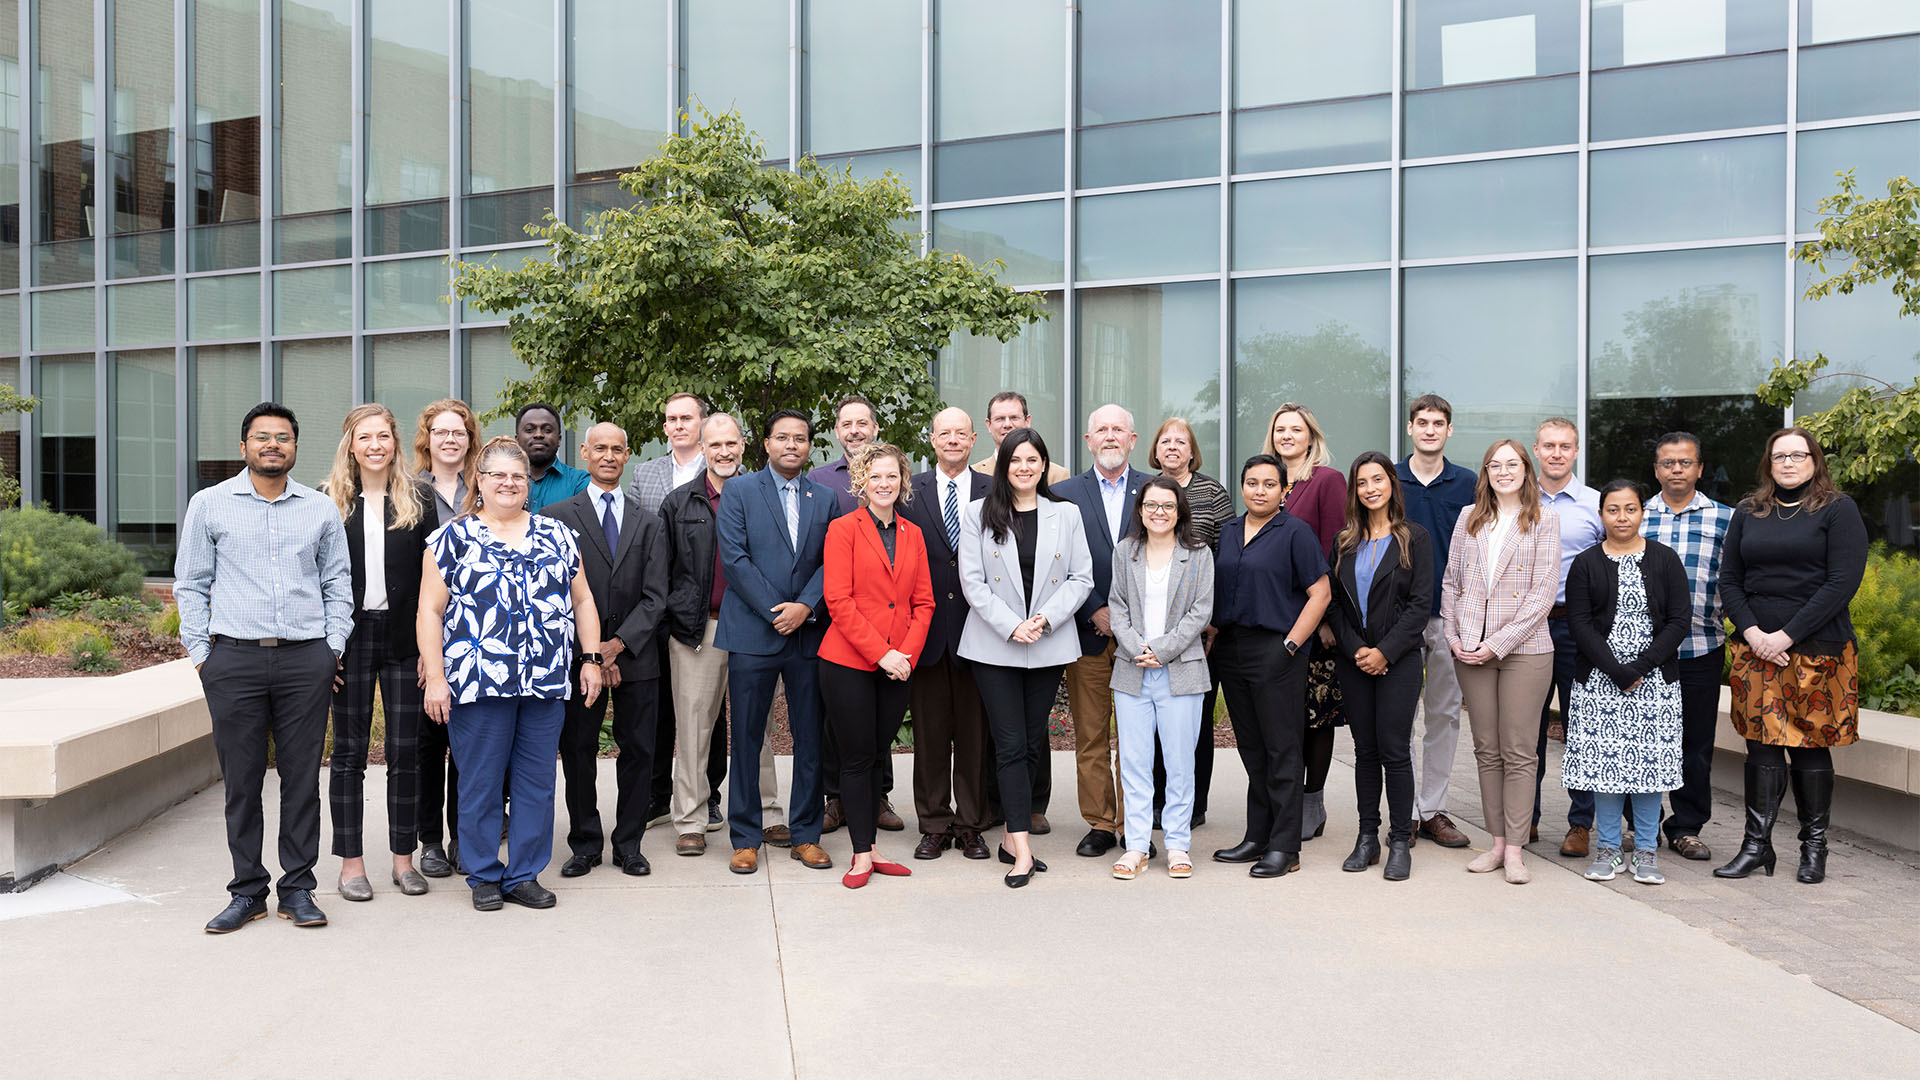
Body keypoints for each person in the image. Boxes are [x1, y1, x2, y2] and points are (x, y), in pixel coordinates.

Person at [178, 402, 352, 933]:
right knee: (242, 781)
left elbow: (337, 584)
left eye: (283, 437)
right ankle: (247, 890)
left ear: (295, 447)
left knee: (302, 780)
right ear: (244, 447)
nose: (272, 445)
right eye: (262, 437)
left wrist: (331, 649)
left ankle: (298, 888)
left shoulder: (320, 509)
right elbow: (190, 584)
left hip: (306, 661)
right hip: (233, 660)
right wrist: (203, 656)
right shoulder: (209, 505)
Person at [418, 437, 605, 911]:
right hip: (478, 681)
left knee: (536, 782)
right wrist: (437, 677)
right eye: (498, 475)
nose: (508, 483)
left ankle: (523, 874)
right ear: (479, 481)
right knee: (480, 780)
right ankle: (482, 874)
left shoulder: (557, 535)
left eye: (517, 476)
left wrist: (590, 659)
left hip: (544, 680)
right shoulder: (451, 539)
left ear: (528, 485)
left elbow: (582, 600)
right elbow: (429, 612)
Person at [1714, 428, 1867, 885]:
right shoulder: (1749, 511)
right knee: (1760, 747)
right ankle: (1756, 847)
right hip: (1756, 650)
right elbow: (1729, 579)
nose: (1788, 462)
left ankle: (1813, 849)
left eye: (1797, 455)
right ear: (1768, 462)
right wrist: (1754, 632)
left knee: (1809, 749)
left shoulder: (1838, 510)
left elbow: (1841, 583)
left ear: (1814, 460)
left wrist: (1786, 636)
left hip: (1817, 650)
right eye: (1779, 455)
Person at [957, 428, 1093, 887]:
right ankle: (1022, 849)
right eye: (1016, 460)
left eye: (1033, 459)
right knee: (1011, 743)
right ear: (1003, 465)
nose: (1024, 467)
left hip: (1048, 641)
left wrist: (1044, 620)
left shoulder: (1067, 514)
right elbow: (972, 582)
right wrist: (1013, 625)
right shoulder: (978, 512)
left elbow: (1081, 577)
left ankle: (1009, 840)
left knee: (1032, 743)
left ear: (1044, 464)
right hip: (995, 644)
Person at [541, 422, 670, 878]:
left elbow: (658, 595)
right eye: (601, 448)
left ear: (628, 454)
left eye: (618, 449)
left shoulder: (649, 521)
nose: (609, 456)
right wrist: (593, 649)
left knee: (639, 750)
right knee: (577, 749)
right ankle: (585, 843)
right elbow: (555, 594)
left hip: (637, 655)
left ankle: (629, 843)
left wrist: (617, 646)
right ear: (585, 452)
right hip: (580, 660)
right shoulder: (557, 517)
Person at [659, 414, 788, 857]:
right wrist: (678, 618)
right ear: (702, 445)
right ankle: (692, 820)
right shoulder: (680, 503)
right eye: (715, 445)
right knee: (694, 727)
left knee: (761, 727)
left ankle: (768, 813)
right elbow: (665, 571)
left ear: (744, 445)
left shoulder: (763, 496)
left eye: (731, 443)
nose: (724, 452)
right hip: (700, 629)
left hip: (755, 625)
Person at [322, 404, 435, 901]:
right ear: (350, 444)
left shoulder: (420, 499)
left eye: (383, 436)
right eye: (364, 437)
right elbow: (312, 581)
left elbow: (435, 580)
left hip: (405, 639)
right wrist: (325, 648)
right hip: (348, 638)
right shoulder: (326, 502)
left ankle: (403, 861)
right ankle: (351, 866)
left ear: (395, 443)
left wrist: (432, 651)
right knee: (347, 754)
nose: (375, 445)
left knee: (406, 753)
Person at [717, 409, 837, 875]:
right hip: (752, 631)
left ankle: (805, 834)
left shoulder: (824, 498)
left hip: (808, 634)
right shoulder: (740, 492)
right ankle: (745, 837)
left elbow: (833, 559)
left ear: (810, 446)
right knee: (746, 738)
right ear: (765, 444)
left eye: (801, 438)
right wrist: (778, 612)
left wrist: (805, 607)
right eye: (782, 437)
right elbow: (736, 559)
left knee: (809, 738)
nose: (792, 445)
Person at [1442, 439, 1561, 886]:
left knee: (1519, 750)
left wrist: (1498, 643)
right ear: (1486, 472)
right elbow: (1451, 583)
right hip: (1470, 651)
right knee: (1486, 750)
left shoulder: (1544, 519)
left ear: (1526, 470)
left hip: (1524, 651)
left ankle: (1515, 849)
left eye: (1512, 464)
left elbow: (1542, 595)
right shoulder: (1468, 519)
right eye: (1495, 464)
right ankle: (1494, 843)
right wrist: (1454, 637)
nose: (1504, 471)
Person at [818, 444, 936, 888]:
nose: (884, 483)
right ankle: (861, 854)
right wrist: (881, 653)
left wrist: (904, 654)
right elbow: (838, 601)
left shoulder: (914, 534)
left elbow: (923, 602)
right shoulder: (842, 529)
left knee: (874, 758)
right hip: (849, 662)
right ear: (861, 481)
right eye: (875, 476)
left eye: (891, 476)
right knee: (856, 758)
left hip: (898, 664)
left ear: (902, 481)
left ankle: (871, 847)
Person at [1210, 453, 1331, 879]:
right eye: (1251, 483)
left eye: (1268, 484)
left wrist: (1292, 645)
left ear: (1284, 491)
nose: (1259, 490)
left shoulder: (1295, 533)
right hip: (1231, 649)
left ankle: (1285, 847)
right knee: (1252, 748)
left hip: (1277, 649)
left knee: (1282, 750)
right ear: (1242, 487)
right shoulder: (1226, 532)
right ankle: (1257, 836)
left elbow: (1320, 593)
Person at [1563, 480, 1690, 887]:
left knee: (1649, 772)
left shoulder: (1665, 560)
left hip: (1655, 683)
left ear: (1642, 512)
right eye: (1613, 509)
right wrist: (1617, 670)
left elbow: (1678, 621)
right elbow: (1579, 624)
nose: (1622, 517)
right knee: (1606, 769)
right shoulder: (1585, 563)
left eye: (1630, 509)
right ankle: (1609, 849)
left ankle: (1647, 853)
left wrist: (1641, 667)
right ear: (1601, 514)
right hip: (1599, 683)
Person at [1327, 452, 1433, 882]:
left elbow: (1420, 605)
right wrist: (1357, 651)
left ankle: (1400, 841)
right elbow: (1335, 606)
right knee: (1364, 752)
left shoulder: (1415, 538)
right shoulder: (1343, 542)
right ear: (1354, 490)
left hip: (1399, 661)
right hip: (1355, 661)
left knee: (1394, 750)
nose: (1370, 488)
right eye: (1362, 482)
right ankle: (1366, 837)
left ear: (1392, 483)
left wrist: (1384, 653)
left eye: (1378, 479)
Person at [1052, 404, 1151, 858]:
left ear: (1132, 439)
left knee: (1136, 736)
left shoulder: (1155, 489)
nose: (1110, 436)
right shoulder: (1062, 493)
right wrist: (1094, 608)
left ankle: (1136, 825)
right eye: (1101, 430)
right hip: (1086, 633)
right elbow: (1058, 563)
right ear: (1088, 441)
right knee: (1091, 735)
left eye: (1118, 429)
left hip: (1142, 638)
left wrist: (1129, 618)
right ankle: (1100, 823)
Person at [627, 393, 728, 834]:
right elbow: (645, 545)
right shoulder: (648, 475)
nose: (678, 425)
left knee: (714, 717)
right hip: (671, 611)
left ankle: (711, 796)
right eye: (671, 419)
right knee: (675, 712)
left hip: (721, 616)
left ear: (704, 427)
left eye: (687, 417)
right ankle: (663, 798)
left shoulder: (733, 479)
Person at [899, 406, 996, 860]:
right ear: (932, 439)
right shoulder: (908, 492)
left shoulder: (993, 490)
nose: (953, 439)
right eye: (944, 433)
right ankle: (934, 822)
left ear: (974, 439)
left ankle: (972, 824)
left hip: (982, 633)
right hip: (928, 633)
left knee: (976, 738)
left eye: (961, 433)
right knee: (931, 738)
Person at [1107, 477, 1215, 880]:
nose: (1159, 513)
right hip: (1132, 671)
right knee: (1134, 763)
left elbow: (1202, 611)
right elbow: (1116, 605)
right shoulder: (1125, 552)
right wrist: (1138, 648)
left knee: (1179, 763)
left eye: (1167, 506)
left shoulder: (1198, 554)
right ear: (1140, 510)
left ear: (1180, 511)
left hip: (1181, 670)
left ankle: (1177, 845)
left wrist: (1163, 649)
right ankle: (1136, 845)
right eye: (1151, 505)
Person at [809, 393, 905, 832]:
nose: (854, 431)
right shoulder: (820, 480)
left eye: (862, 423)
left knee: (879, 714)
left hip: (886, 625)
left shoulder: (898, 477)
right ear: (836, 432)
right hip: (836, 619)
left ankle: (877, 795)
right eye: (846, 424)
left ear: (875, 428)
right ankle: (837, 798)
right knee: (838, 718)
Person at [1641, 432, 1734, 862]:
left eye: (1685, 462)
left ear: (1699, 468)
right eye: (1668, 463)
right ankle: (1640, 825)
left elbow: (1736, 581)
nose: (1676, 470)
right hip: (1643, 652)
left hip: (1701, 646)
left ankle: (1686, 826)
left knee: (1694, 744)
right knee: (1640, 738)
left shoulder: (1726, 520)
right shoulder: (1635, 517)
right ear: (1656, 469)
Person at [1263, 402, 1347, 843]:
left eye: (1296, 429)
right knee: (1283, 717)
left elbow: (1336, 549)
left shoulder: (1327, 481)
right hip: (1275, 617)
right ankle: (1287, 798)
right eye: (1280, 429)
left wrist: (1329, 620)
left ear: (1311, 436)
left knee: (1316, 715)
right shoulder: (1268, 480)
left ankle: (1312, 799)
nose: (1287, 436)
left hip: (1315, 618)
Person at [1396, 394, 1478, 850]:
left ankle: (1435, 810)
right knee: (1403, 716)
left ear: (1450, 431)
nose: (1430, 429)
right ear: (1410, 428)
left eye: (1438, 423)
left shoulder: (1467, 483)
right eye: (1422, 422)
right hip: (1401, 616)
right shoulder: (1391, 479)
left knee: (1444, 714)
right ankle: (1406, 811)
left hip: (1450, 615)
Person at [1146, 416, 1232, 830]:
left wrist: (1212, 623)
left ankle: (1193, 804)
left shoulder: (1212, 492)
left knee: (1193, 722)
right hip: (1149, 633)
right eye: (1166, 441)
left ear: (1192, 450)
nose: (1173, 447)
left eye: (1182, 441)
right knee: (1156, 723)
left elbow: (1228, 554)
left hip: (1201, 632)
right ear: (1156, 449)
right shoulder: (1147, 491)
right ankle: (1159, 800)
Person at [1530, 417, 1606, 858]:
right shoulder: (1517, 502)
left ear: (1576, 452)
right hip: (1529, 627)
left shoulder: (1596, 504)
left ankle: (1581, 824)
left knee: (1583, 728)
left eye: (1565, 446)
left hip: (1579, 629)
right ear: (1536, 450)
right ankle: (1529, 818)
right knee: (1528, 731)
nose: (1557, 453)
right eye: (1549, 445)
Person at [411, 399, 480, 876]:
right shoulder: (408, 493)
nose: (450, 439)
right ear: (427, 439)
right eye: (441, 432)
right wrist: (424, 650)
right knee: (428, 745)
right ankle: (430, 841)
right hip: (426, 634)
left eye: (459, 432)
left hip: (478, 641)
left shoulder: (488, 488)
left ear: (470, 439)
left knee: (472, 747)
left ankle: (464, 837)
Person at [973, 390, 1071, 486]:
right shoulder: (973, 474)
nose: (1007, 424)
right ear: (988, 425)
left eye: (1014, 418)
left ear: (1027, 421)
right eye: (1000, 419)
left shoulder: (1058, 476)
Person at [517, 402, 590, 513]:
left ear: (559, 440)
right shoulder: (502, 482)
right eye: (529, 430)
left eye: (547, 430)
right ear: (517, 440)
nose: (538, 435)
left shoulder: (580, 482)